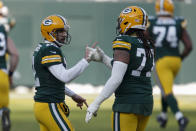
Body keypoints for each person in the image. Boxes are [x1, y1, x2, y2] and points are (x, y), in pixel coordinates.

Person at [85, 6, 155, 131]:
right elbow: (128, 68)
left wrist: (96, 103)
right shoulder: (147, 44)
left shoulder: (124, 41)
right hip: (146, 102)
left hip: (127, 103)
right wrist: (104, 58)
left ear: (128, 22)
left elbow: (117, 78)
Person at [32, 14, 96, 131]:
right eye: (60, 31)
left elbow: (53, 81)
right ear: (49, 32)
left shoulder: (43, 48)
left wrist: (73, 95)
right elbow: (64, 77)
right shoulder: (50, 49)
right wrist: (86, 60)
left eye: (65, 31)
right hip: (49, 104)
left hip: (44, 105)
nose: (64, 34)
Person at [146, 0, 193, 131]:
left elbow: (144, 40)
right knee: (164, 89)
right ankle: (163, 115)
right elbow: (189, 46)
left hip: (162, 62)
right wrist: (180, 58)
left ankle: (180, 118)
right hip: (176, 61)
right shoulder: (178, 22)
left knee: (167, 92)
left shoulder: (152, 22)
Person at [0, 1, 19, 131]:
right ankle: (3, 113)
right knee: (3, 104)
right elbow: (15, 55)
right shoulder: (4, 28)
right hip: (2, 72)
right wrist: (10, 74)